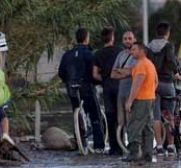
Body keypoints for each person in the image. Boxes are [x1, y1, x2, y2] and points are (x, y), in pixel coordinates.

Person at [58, 28, 105, 152]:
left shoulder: (67, 54)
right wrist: (98, 82)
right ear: (86, 38)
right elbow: (94, 72)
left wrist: (68, 81)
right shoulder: (90, 54)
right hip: (86, 87)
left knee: (77, 115)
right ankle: (99, 145)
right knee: (95, 115)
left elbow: (61, 72)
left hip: (71, 88)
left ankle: (81, 144)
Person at [147, 22, 181, 154]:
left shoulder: (149, 46)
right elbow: (172, 61)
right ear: (167, 33)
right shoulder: (168, 46)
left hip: (153, 84)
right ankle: (171, 145)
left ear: (156, 32)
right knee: (170, 115)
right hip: (167, 83)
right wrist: (177, 73)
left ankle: (160, 146)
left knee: (156, 117)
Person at [124, 42, 158, 163]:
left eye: (134, 50)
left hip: (141, 100)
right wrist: (150, 93)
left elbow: (136, 84)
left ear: (142, 51)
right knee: (147, 127)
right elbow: (156, 82)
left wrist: (130, 101)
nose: (131, 52)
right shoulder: (150, 64)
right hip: (150, 98)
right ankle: (147, 154)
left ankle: (134, 153)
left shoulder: (141, 65)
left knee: (134, 126)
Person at [93, 27, 122, 155]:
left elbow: (94, 74)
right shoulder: (120, 52)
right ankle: (122, 144)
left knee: (110, 117)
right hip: (120, 86)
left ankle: (113, 147)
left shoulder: (98, 54)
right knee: (121, 117)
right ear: (112, 38)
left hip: (107, 87)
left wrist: (104, 80)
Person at [110, 30, 136, 143]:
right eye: (125, 38)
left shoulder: (137, 55)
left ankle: (134, 146)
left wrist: (121, 72)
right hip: (121, 92)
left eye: (130, 38)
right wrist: (125, 72)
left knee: (132, 120)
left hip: (133, 92)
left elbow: (134, 72)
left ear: (134, 40)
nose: (127, 41)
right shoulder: (120, 55)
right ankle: (124, 147)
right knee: (122, 121)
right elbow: (112, 74)